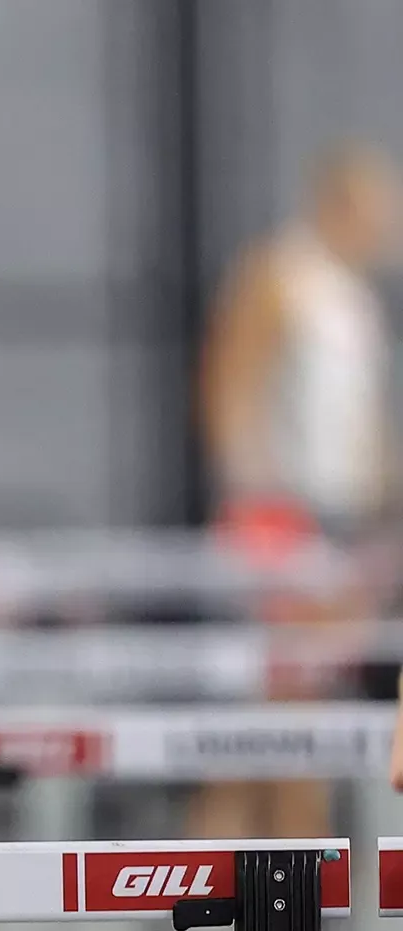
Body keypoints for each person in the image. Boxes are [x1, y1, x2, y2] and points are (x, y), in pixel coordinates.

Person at [199, 140, 400, 831]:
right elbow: (229, 396)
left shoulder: (355, 297)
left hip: (345, 523)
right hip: (286, 523)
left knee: (296, 715)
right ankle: (289, 878)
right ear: (340, 203)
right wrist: (260, 516)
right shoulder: (277, 277)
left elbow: (360, 422)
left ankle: (258, 875)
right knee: (290, 716)